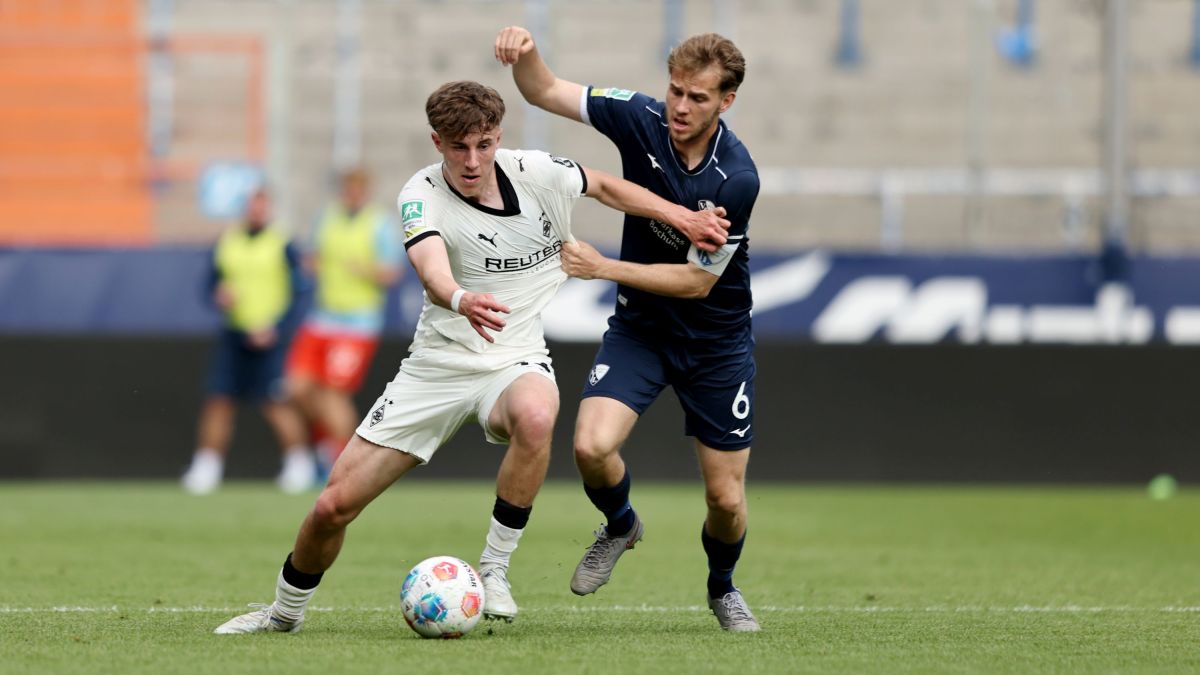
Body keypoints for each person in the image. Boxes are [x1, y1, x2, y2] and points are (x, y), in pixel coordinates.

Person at [213, 80, 729, 634]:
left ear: (498, 138)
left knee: (537, 415)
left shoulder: (536, 172)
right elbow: (432, 271)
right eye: (458, 147)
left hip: (514, 357)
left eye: (484, 145)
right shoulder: (421, 194)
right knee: (332, 507)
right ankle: (283, 614)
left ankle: (495, 568)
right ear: (437, 141)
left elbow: (604, 186)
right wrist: (461, 298)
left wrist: (683, 218)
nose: (472, 160)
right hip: (437, 365)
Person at [496, 27, 762, 631]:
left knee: (724, 499)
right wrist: (527, 52)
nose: (680, 106)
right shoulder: (640, 117)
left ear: (726, 101)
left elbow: (697, 283)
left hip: (716, 346)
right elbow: (542, 91)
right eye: (675, 91)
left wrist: (604, 268)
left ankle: (722, 587)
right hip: (641, 331)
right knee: (590, 447)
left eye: (697, 97)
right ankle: (621, 525)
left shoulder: (736, 178)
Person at [181, 188, 315, 495]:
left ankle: (299, 464)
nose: (256, 212)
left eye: (261, 207)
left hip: (270, 336)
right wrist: (218, 295)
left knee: (275, 402)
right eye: (252, 206)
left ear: (269, 209)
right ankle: (207, 466)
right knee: (219, 400)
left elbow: (301, 292)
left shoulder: (283, 243)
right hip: (235, 332)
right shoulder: (228, 241)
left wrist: (276, 328)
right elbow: (211, 284)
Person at [285, 168, 404, 481]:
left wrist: (365, 269)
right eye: (348, 188)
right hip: (322, 317)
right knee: (296, 388)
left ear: (365, 191)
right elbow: (313, 256)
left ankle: (343, 462)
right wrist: (310, 266)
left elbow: (392, 272)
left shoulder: (378, 223)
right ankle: (326, 446)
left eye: (357, 189)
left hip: (357, 323)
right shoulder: (326, 218)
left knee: (333, 393)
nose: (352, 194)